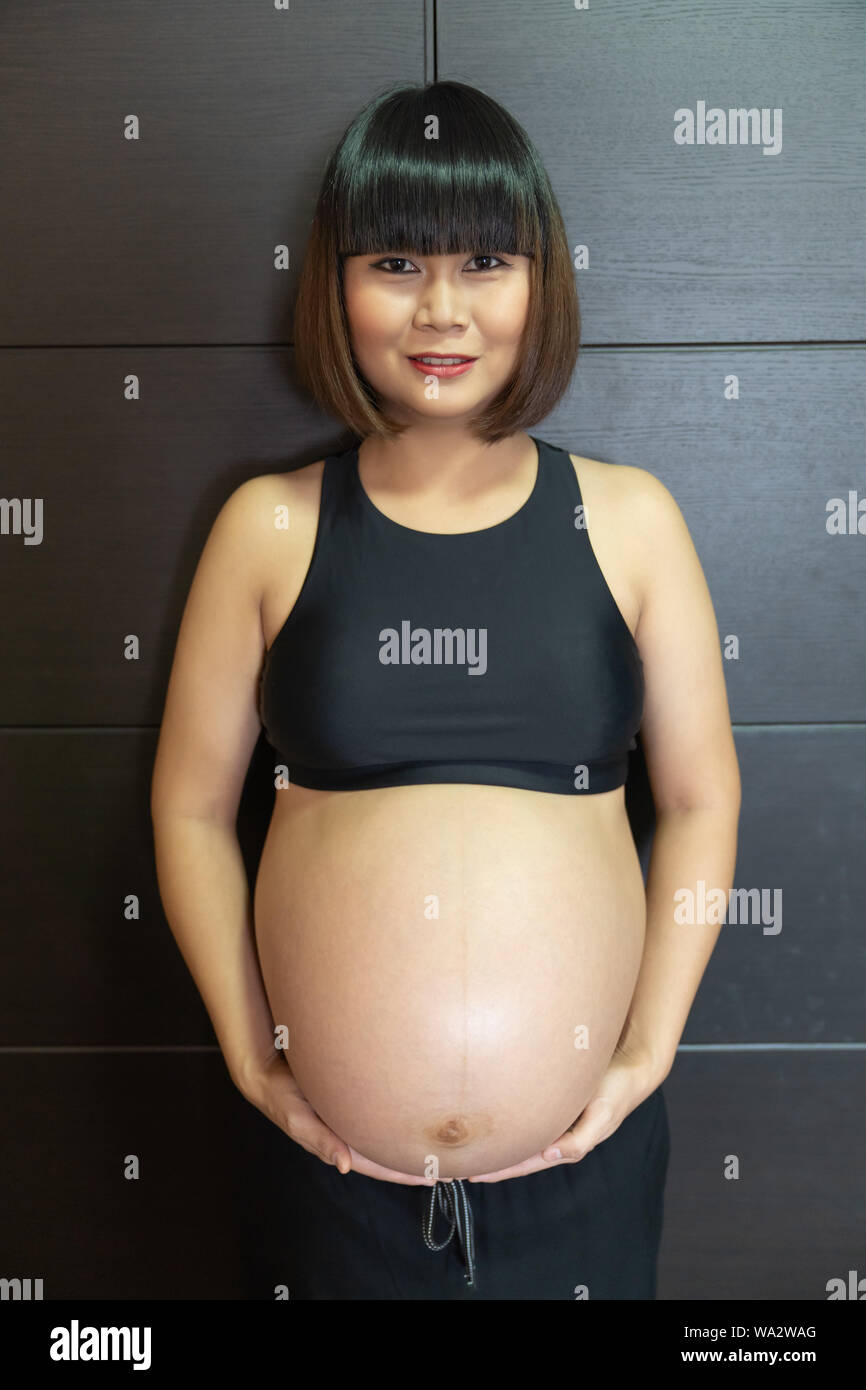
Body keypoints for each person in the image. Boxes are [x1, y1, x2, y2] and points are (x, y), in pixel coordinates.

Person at [150, 80, 741, 1300]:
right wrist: (251, 1058)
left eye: (483, 260)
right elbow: (192, 812)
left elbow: (698, 799)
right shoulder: (268, 526)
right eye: (393, 262)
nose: (440, 309)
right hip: (328, 1183)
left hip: (583, 1170)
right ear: (335, 283)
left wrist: (644, 1049)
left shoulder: (628, 521)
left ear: (540, 282)